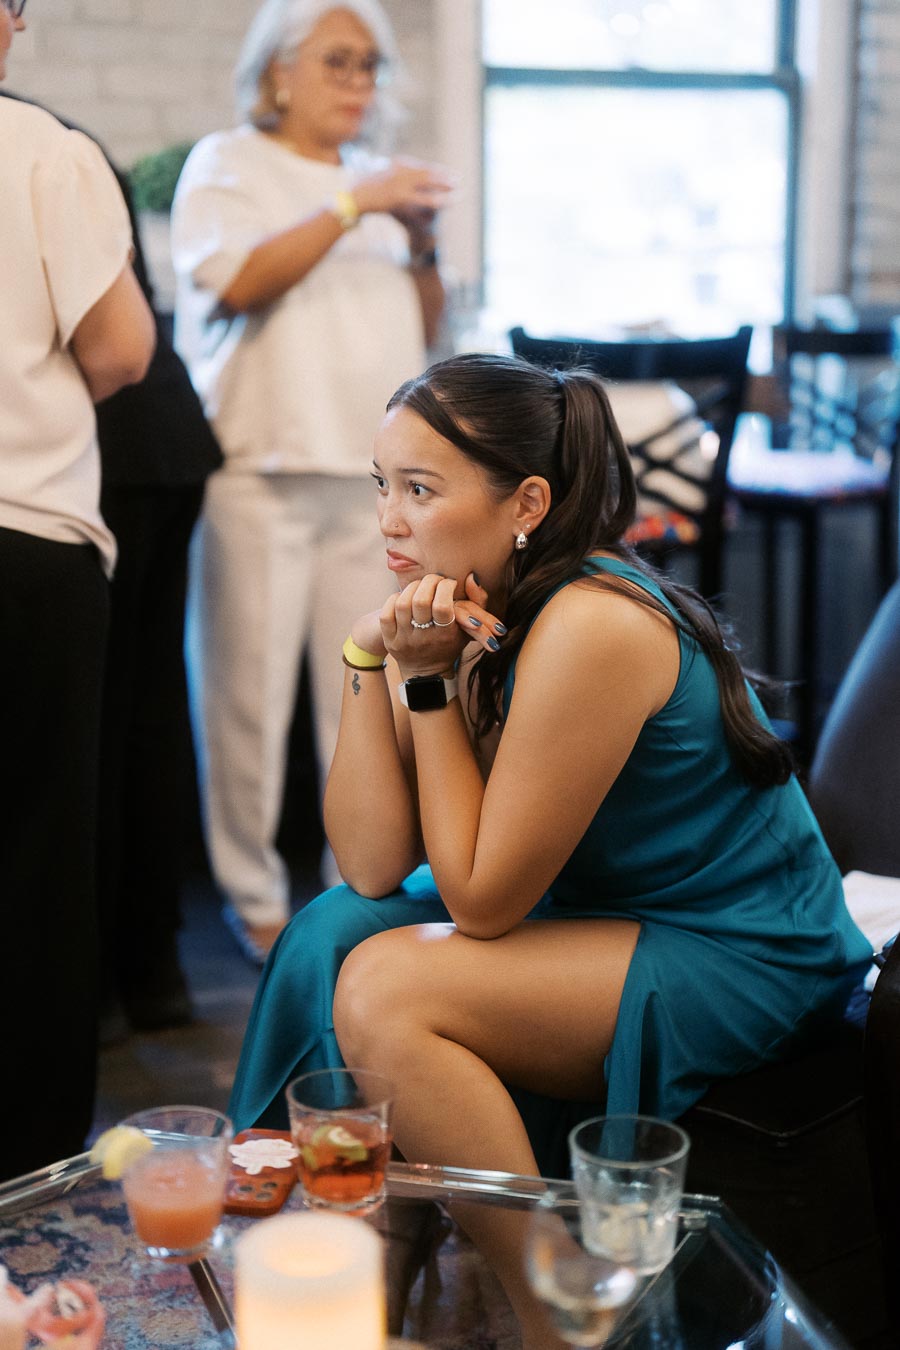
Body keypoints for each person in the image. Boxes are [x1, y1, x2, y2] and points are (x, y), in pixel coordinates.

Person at [227, 352, 872, 1342]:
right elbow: (368, 863)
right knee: (329, 933)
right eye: (383, 486)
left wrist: (430, 682)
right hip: (602, 904)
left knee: (388, 988)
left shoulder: (591, 623)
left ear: (526, 500)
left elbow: (483, 900)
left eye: (421, 489)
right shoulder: (469, 599)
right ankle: (372, 1278)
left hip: (735, 945)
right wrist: (371, 653)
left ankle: (557, 1313)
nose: (388, 519)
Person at [171, 0, 453, 962]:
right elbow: (237, 284)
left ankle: (354, 879)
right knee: (245, 700)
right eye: (339, 61)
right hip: (261, 468)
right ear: (280, 69)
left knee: (359, 689)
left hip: (366, 480)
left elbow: (424, 327)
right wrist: (353, 206)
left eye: (371, 65)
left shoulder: (370, 189)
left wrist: (416, 239)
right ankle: (249, 888)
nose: (359, 82)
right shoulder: (228, 164)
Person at [0, 0, 155, 1178]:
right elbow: (119, 350)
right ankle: (29, 1168)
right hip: (24, 541)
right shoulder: (45, 151)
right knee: (36, 860)